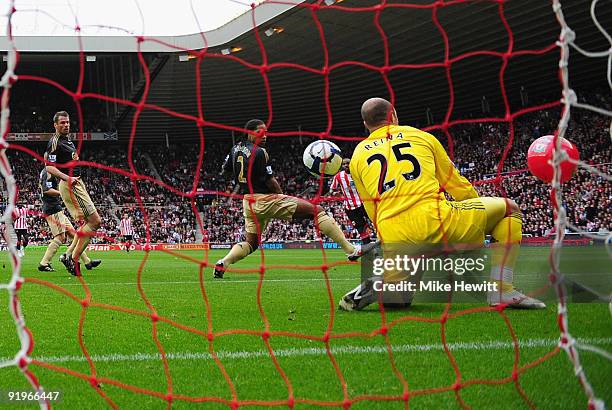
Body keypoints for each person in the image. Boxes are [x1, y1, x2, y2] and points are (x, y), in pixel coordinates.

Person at [340, 97, 545, 310]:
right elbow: (456, 184)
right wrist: (479, 225)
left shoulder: (357, 157)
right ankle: (502, 289)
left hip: (396, 234)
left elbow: (371, 208)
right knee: (509, 209)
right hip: (437, 221)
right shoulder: (422, 137)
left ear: (366, 124)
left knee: (400, 300)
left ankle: (384, 285)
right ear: (393, 115)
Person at [212, 119, 377, 279]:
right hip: (265, 199)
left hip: (248, 202)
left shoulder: (235, 149)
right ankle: (350, 250)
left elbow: (225, 171)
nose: (264, 136)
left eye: (266, 133)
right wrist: (281, 195)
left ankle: (223, 262)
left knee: (251, 243)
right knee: (317, 211)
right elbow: (270, 180)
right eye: (260, 132)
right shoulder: (260, 152)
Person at [44, 111, 102, 275]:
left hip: (76, 183)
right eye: (62, 123)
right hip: (70, 184)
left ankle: (69, 255)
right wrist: (67, 178)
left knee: (87, 223)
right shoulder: (55, 142)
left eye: (67, 122)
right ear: (55, 125)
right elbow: (49, 166)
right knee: (95, 222)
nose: (65, 125)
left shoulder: (67, 140)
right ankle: (73, 258)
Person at [38, 167, 102, 273]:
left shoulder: (46, 172)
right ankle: (44, 263)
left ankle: (87, 261)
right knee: (60, 237)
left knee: (74, 234)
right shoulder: (47, 172)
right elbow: (47, 190)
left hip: (55, 208)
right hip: (52, 208)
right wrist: (62, 193)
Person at [329, 158, 375, 245]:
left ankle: (386, 240)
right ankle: (368, 246)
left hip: (363, 204)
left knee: (375, 221)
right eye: (344, 164)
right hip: (350, 208)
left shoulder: (357, 173)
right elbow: (331, 190)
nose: (346, 165)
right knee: (360, 228)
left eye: (348, 163)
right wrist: (335, 193)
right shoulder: (338, 176)